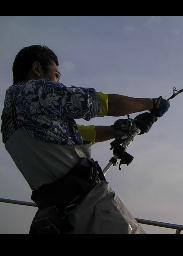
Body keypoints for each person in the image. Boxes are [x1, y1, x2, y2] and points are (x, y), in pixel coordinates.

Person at [1, 45, 170, 234]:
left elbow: (78, 135)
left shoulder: (9, 121)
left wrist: (116, 130)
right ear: (37, 69)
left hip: (58, 218)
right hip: (93, 209)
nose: (57, 82)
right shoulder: (36, 92)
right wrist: (152, 104)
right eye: (56, 75)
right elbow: (103, 103)